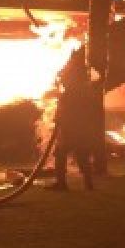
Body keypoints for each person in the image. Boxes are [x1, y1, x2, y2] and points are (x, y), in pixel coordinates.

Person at [48, 49, 95, 191]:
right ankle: (88, 184)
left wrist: (58, 120)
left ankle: (61, 183)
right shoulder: (83, 86)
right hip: (80, 127)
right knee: (82, 155)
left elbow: (64, 108)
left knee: (61, 154)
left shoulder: (72, 90)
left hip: (70, 127)